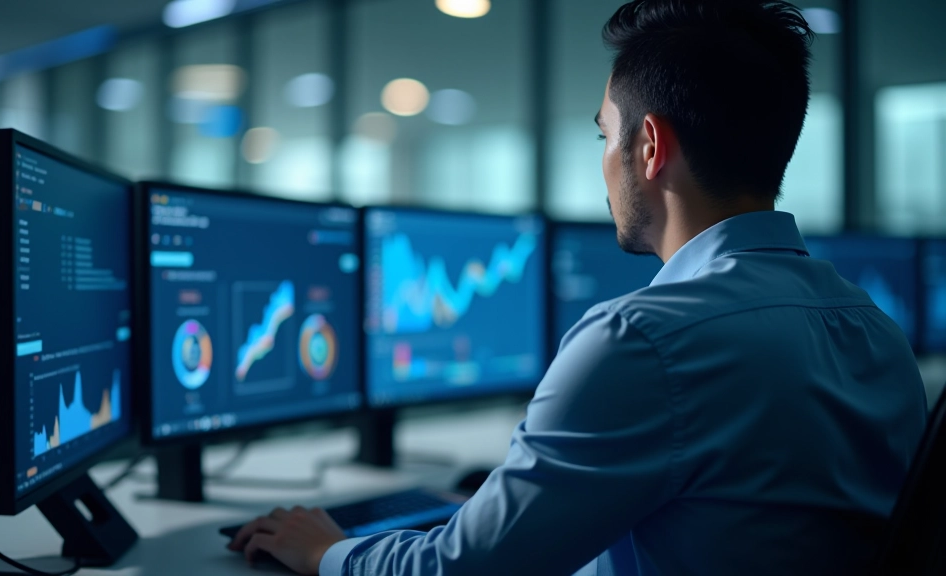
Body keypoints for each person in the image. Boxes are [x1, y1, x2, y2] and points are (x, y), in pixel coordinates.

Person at [229, 1, 928, 574]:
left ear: (650, 148)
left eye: (605, 136)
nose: (604, 164)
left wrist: (327, 551)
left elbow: (465, 570)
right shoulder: (875, 330)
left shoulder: (642, 340)